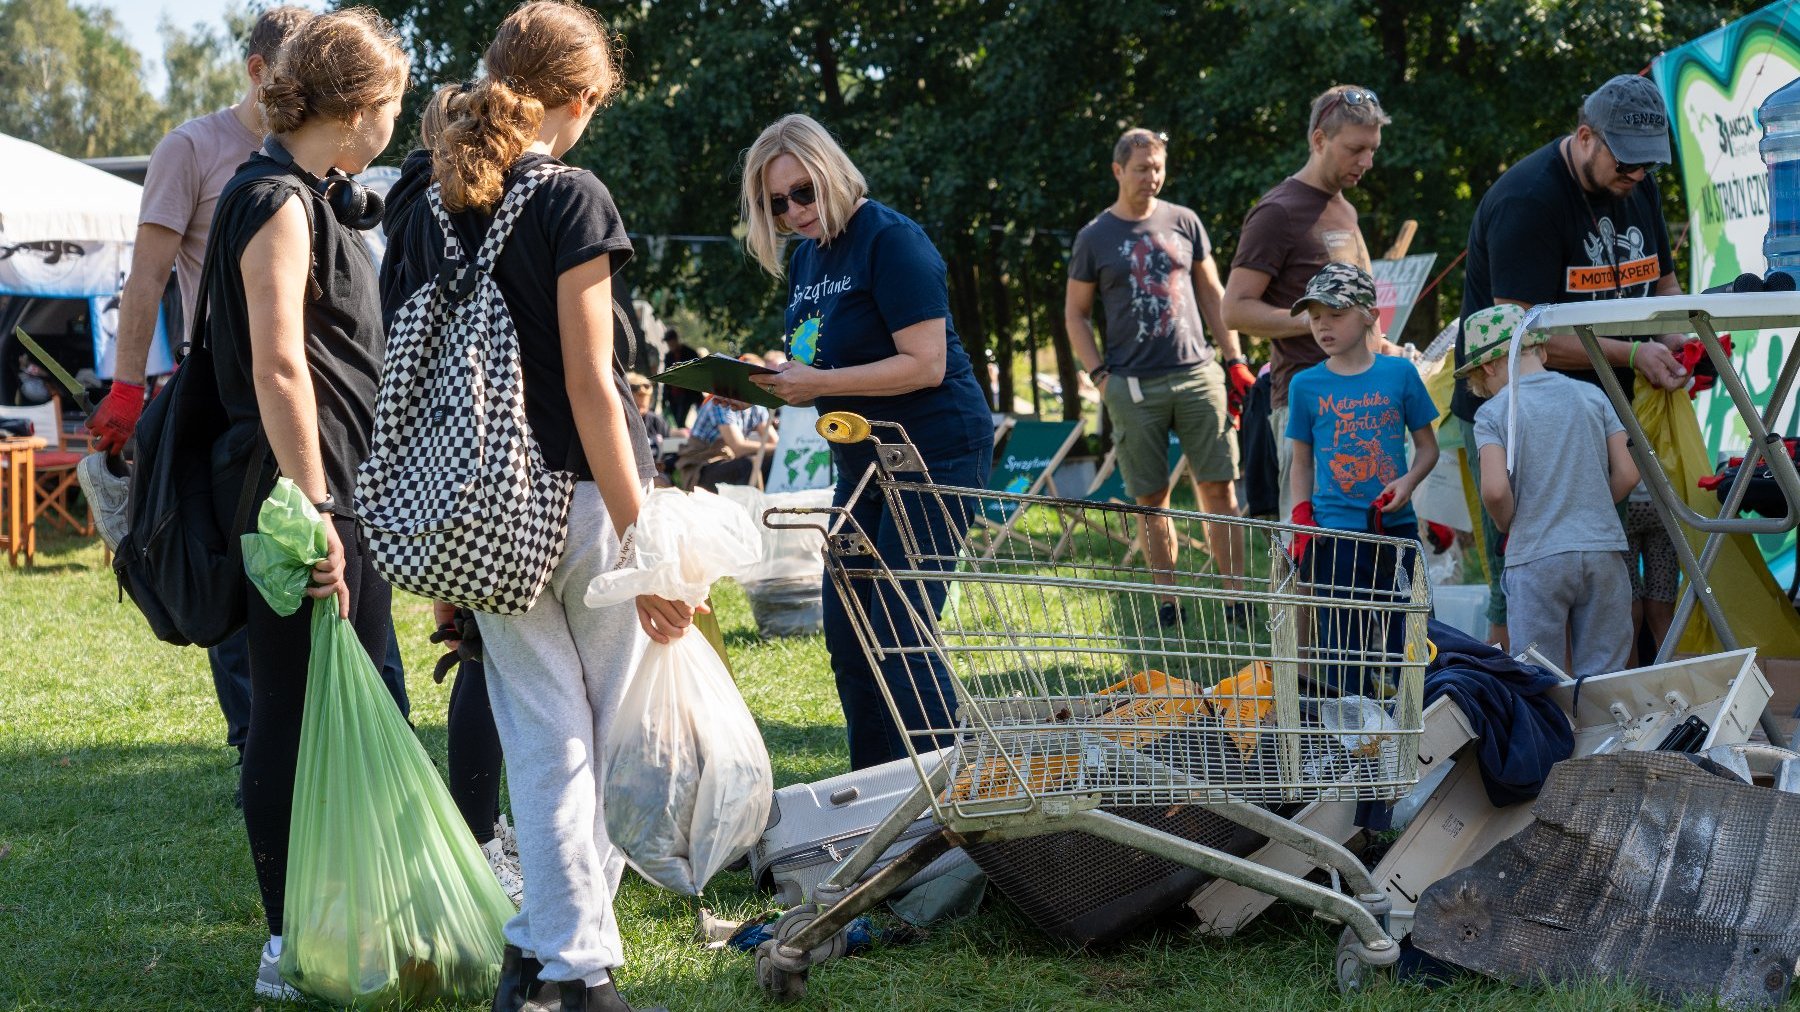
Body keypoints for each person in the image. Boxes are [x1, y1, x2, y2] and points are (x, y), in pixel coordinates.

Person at [383, 3, 687, 1009]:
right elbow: (598, 387)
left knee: (544, 733)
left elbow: (410, 378)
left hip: (473, 509)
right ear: (584, 97)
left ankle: (545, 946)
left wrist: (447, 558)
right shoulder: (572, 201)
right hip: (585, 501)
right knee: (603, 737)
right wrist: (648, 537)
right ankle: (574, 968)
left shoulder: (417, 203)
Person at [198, 10, 409, 999]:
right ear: (358, 105)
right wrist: (316, 501)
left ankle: (361, 912)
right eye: (395, 102)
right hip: (296, 496)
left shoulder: (311, 193)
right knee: (287, 712)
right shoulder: (276, 199)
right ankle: (289, 941)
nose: (397, 122)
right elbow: (280, 365)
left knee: (361, 695)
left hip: (327, 490)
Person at [79, 5, 330, 799]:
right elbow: (146, 281)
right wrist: (126, 392)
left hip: (318, 397)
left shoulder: (326, 151)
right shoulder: (192, 149)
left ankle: (320, 752)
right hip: (226, 401)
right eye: (294, 71)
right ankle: (258, 757)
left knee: (328, 581)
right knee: (239, 584)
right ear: (257, 71)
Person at [742, 113, 994, 770]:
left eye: (802, 192)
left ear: (830, 172)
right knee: (851, 637)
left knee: (901, 630)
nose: (793, 211)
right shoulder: (807, 260)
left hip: (933, 450)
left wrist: (819, 379)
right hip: (859, 462)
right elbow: (823, 354)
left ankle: (950, 804)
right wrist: (779, 373)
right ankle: (875, 803)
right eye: (776, 203)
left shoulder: (891, 240)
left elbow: (925, 362)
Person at [1452, 73, 1688, 649]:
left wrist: (1685, 345)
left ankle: (1612, 715)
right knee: (1524, 578)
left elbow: (1666, 291)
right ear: (1586, 137)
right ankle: (1509, 707)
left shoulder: (1638, 185)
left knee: (1610, 571)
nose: (1635, 178)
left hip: (1600, 401)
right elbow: (1519, 338)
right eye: (1626, 164)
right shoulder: (1527, 200)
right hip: (1517, 409)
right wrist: (1633, 352)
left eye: (1647, 167)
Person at [378, 81, 524, 903]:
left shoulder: (404, 207)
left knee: (473, 640)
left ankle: (480, 828)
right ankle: (479, 833)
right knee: (487, 651)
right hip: (484, 444)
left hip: (425, 448)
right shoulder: (460, 210)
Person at [1064, 127, 1249, 627]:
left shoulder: (1184, 221)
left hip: (1196, 374)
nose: (1152, 177)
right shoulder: (1095, 237)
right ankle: (1168, 600)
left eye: (1159, 167)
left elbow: (1213, 295)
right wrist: (1100, 376)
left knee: (1221, 489)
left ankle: (1236, 597)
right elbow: (1075, 314)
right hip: (1132, 384)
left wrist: (1233, 360)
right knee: (1151, 497)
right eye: (1142, 168)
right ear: (1118, 170)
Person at [1224, 84, 1410, 523]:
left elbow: (1360, 305)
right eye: (1356, 149)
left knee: (1359, 555)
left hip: (1363, 405)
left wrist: (1384, 350)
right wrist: (1314, 324)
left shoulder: (1345, 210)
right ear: (1320, 140)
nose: (1367, 162)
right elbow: (1234, 309)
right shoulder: (1277, 212)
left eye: (1373, 150)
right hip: (1307, 406)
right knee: (1307, 558)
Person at [1284, 264, 1438, 689]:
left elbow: (1428, 448)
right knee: (1341, 652)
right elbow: (1302, 461)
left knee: (1408, 645)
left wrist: (1408, 483)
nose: (1322, 326)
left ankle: (1409, 731)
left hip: (1397, 533)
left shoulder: (1400, 373)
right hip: (1336, 538)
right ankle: (1349, 740)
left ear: (1370, 314)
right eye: (1315, 316)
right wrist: (1301, 519)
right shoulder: (1305, 385)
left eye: (1335, 314)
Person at [1463, 304, 1638, 675]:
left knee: (1538, 675)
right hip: (1603, 550)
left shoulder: (1493, 413)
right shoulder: (1591, 395)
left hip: (1536, 556)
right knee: (1603, 675)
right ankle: (1605, 733)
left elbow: (1494, 491)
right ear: (1540, 350)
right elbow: (1628, 471)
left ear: (1489, 367)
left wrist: (1510, 521)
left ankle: (1552, 734)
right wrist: (1589, 502)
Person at [678, 392, 776, 491]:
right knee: (748, 464)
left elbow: (775, 442)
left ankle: (773, 500)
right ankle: (757, 503)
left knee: (773, 461)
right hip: (701, 470)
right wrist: (776, 448)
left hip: (729, 461)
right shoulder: (721, 401)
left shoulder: (756, 406)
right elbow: (739, 448)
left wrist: (777, 449)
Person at [625, 371, 669, 473]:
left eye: (644, 406)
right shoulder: (620, 422)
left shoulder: (656, 421)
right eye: (637, 405)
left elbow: (670, 451)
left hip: (657, 475)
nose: (641, 410)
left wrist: (665, 464)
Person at [660, 326, 702, 426]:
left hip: (688, 394)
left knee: (681, 420)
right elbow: (667, 377)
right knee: (677, 422)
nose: (670, 344)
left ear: (676, 340)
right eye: (668, 342)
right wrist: (664, 398)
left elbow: (697, 373)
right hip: (673, 395)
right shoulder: (668, 356)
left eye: (671, 341)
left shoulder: (690, 353)